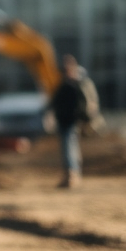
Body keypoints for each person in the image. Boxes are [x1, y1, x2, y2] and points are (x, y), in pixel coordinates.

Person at [49, 54, 90, 188]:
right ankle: (71, 175)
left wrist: (84, 120)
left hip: (70, 121)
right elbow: (54, 103)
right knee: (69, 148)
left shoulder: (75, 85)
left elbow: (83, 105)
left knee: (69, 149)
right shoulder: (63, 85)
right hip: (63, 121)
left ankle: (72, 176)